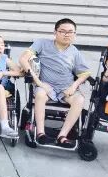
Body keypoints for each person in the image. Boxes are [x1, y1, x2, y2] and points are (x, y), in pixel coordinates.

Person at [19, 18, 90, 148]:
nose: (66, 34)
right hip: (45, 85)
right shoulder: (42, 43)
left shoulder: (75, 52)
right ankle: (41, 133)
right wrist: (39, 82)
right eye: (62, 31)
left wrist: (74, 86)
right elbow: (23, 59)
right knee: (40, 94)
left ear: (75, 34)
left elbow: (85, 73)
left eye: (70, 32)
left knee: (79, 99)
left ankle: (62, 136)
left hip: (65, 88)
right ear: (55, 32)